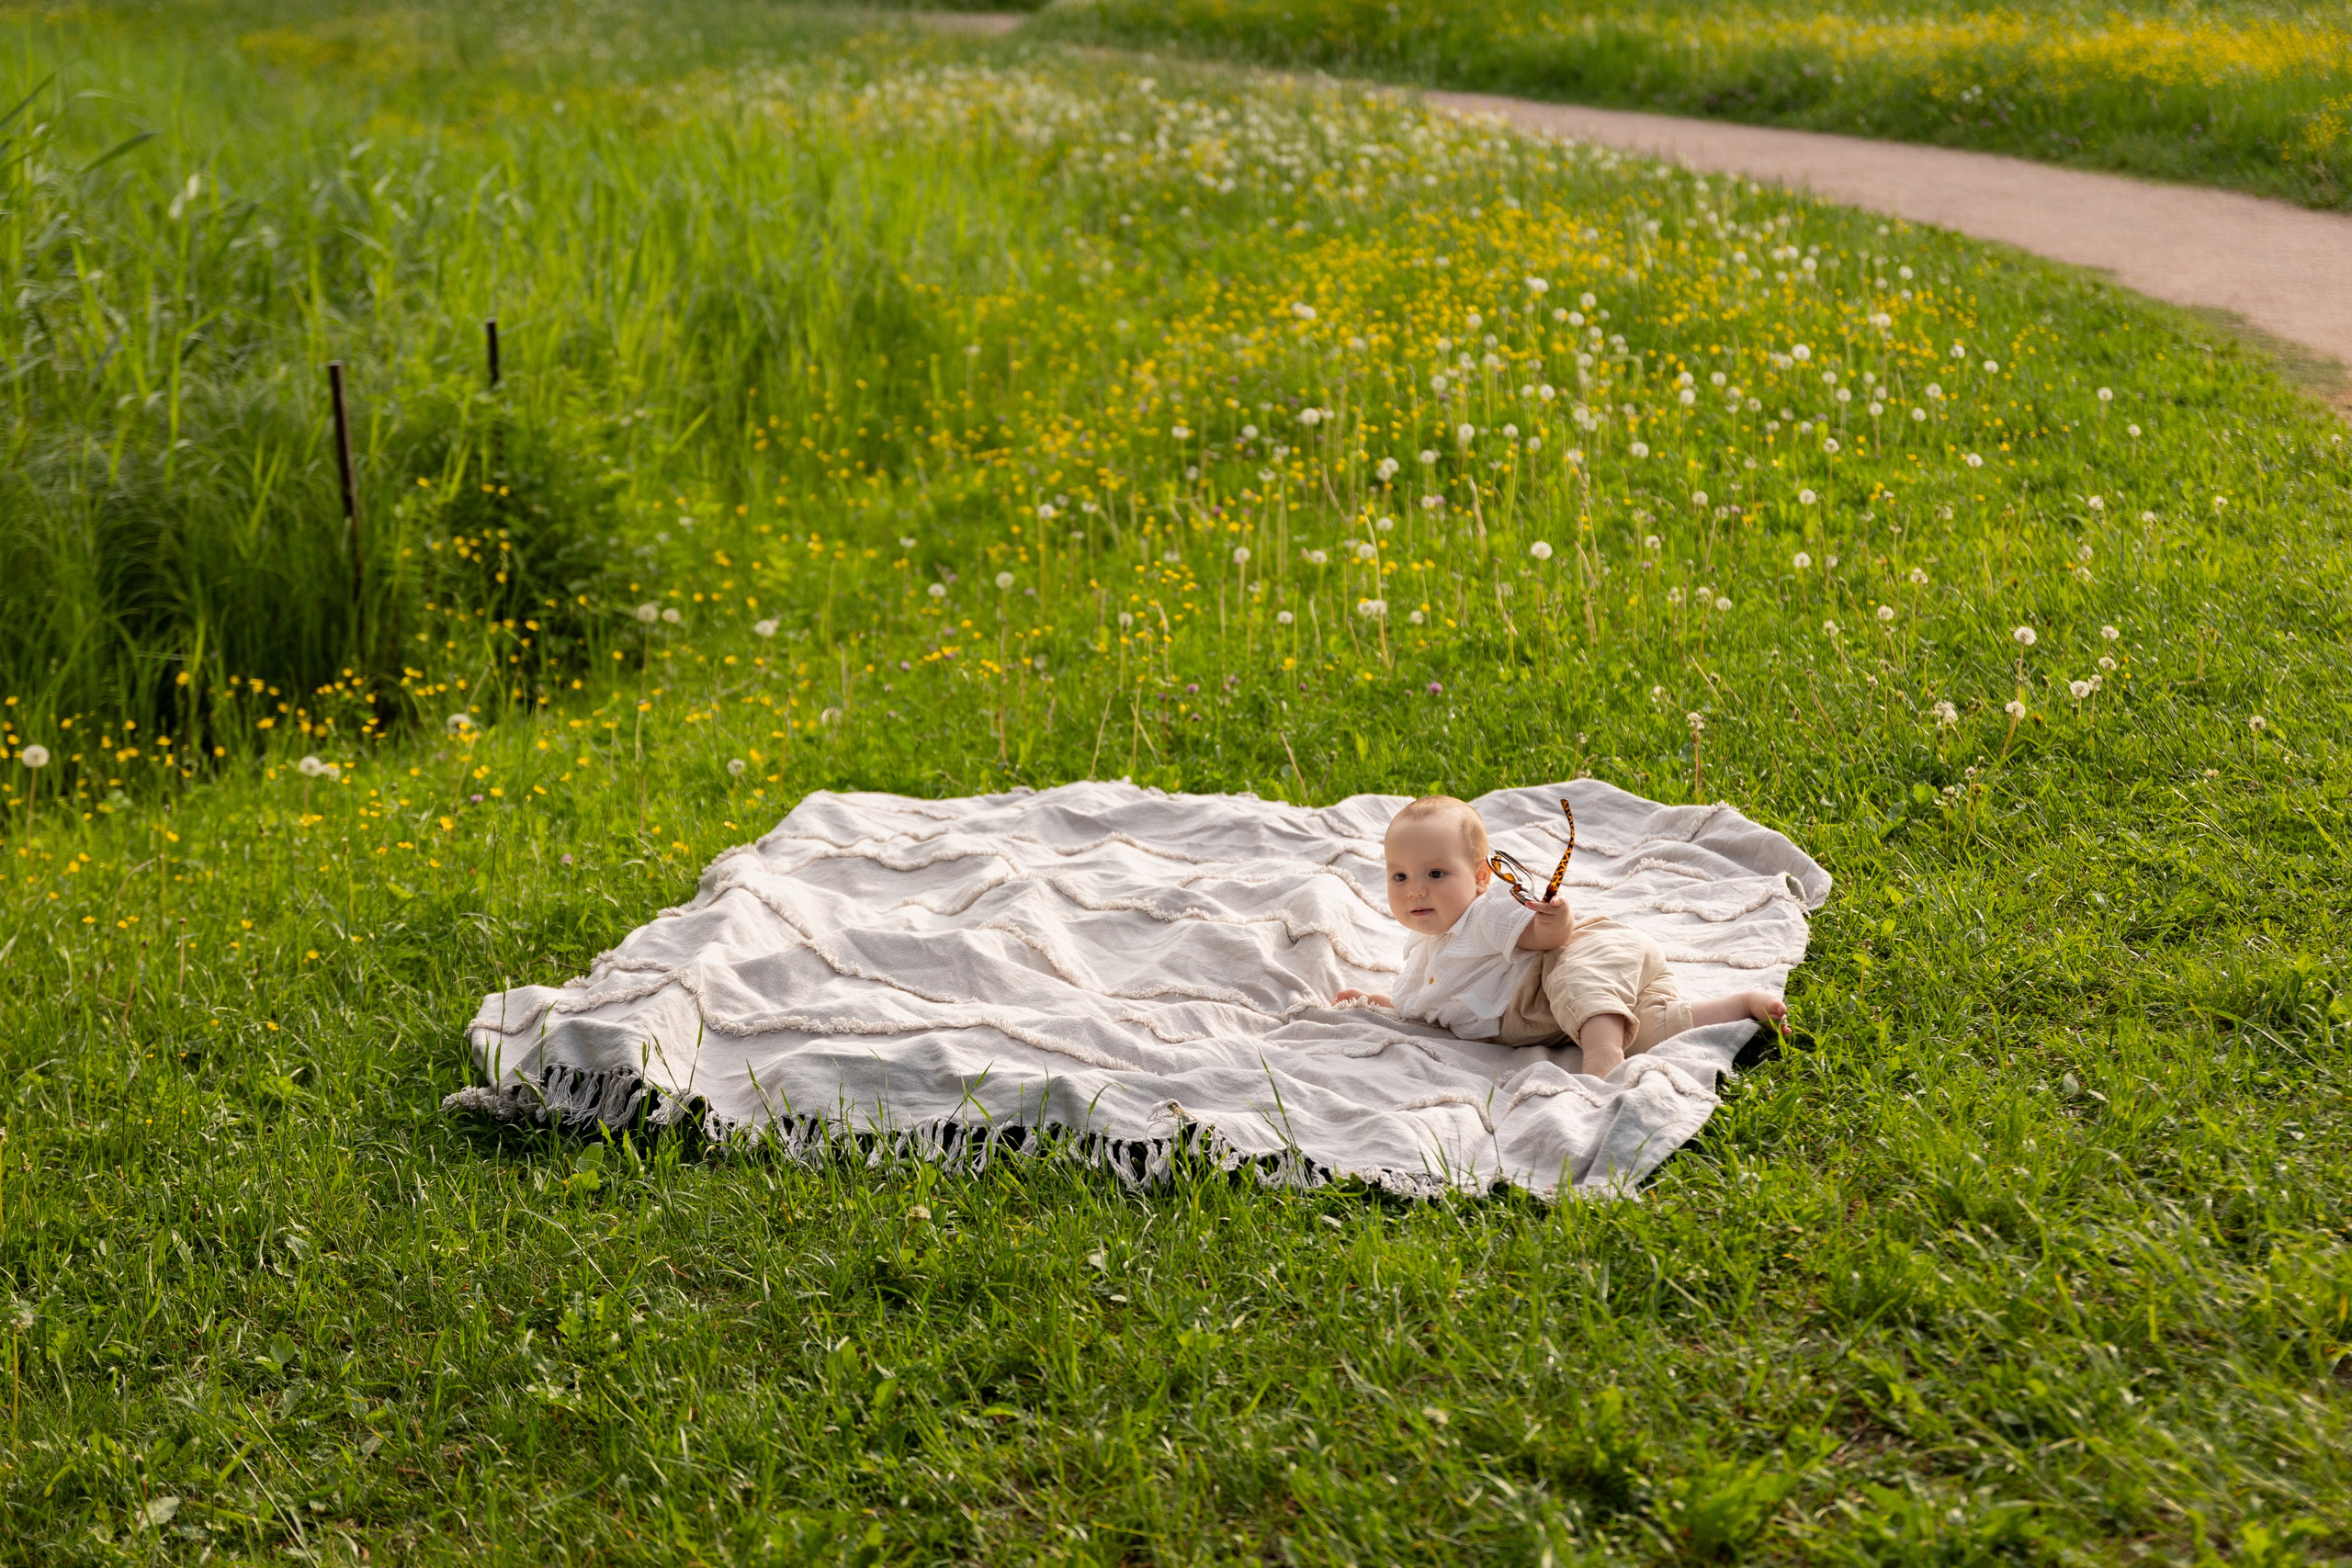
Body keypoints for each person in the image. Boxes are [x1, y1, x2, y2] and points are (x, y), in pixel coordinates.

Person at [1335, 795, 1786, 1077]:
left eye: (1435, 873)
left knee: (1578, 987)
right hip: (1569, 1006)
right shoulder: (1422, 956)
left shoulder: (1484, 914)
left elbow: (1547, 939)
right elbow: (1427, 1010)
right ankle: (1740, 1007)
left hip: (1581, 954)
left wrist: (1555, 919)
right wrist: (1376, 1002)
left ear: (1478, 879)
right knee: (1649, 1032)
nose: (1415, 889)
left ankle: (1602, 1058)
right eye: (1399, 876)